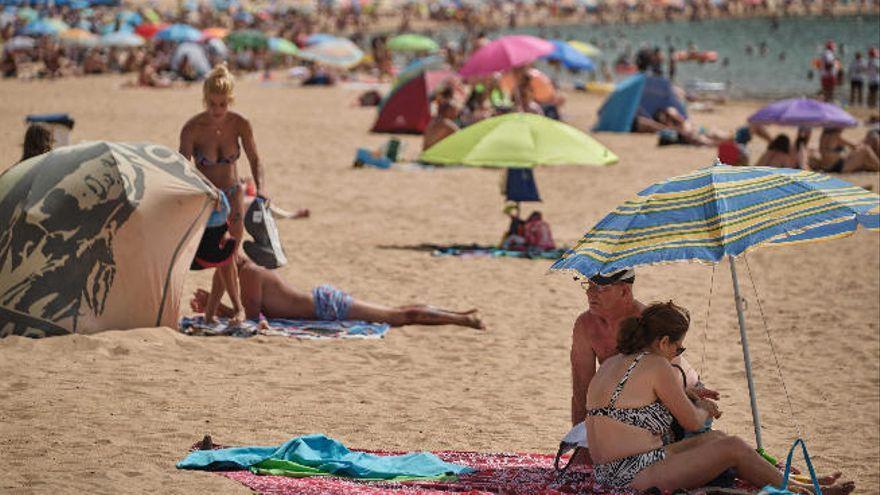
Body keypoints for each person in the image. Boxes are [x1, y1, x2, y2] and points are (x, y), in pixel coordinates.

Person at [586, 301, 855, 494]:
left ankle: (802, 484)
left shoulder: (615, 362)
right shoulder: (657, 364)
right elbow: (693, 422)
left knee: (717, 439)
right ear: (663, 341)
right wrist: (704, 407)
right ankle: (797, 490)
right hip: (631, 475)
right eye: (679, 347)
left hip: (609, 471)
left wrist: (686, 394)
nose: (678, 352)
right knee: (732, 447)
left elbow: (629, 406)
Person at [570, 270, 715, 443]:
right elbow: (581, 387)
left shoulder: (649, 323)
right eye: (589, 285)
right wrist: (580, 441)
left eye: (599, 287)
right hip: (639, 399)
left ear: (624, 291)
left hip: (683, 391)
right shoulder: (585, 324)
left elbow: (668, 383)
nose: (589, 292)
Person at [179, 64, 268, 324]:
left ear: (230, 100)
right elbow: (182, 168)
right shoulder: (192, 128)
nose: (217, 110)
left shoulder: (240, 124)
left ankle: (214, 312)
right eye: (212, 104)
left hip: (233, 193)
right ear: (205, 99)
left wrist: (261, 188)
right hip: (208, 199)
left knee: (229, 254)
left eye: (223, 104)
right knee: (223, 256)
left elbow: (255, 159)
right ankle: (230, 309)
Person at [190, 255, 485, 330]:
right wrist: (214, 306)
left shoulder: (251, 274)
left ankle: (463, 320)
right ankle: (461, 315)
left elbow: (252, 317)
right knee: (398, 311)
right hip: (323, 302)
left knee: (400, 316)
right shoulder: (246, 272)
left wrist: (219, 309)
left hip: (326, 307)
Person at [811, 127, 880, 173]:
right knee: (865, 149)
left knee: (861, 159)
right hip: (838, 167)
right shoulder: (836, 136)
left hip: (827, 166)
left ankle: (874, 166)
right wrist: (863, 143)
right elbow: (854, 146)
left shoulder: (824, 135)